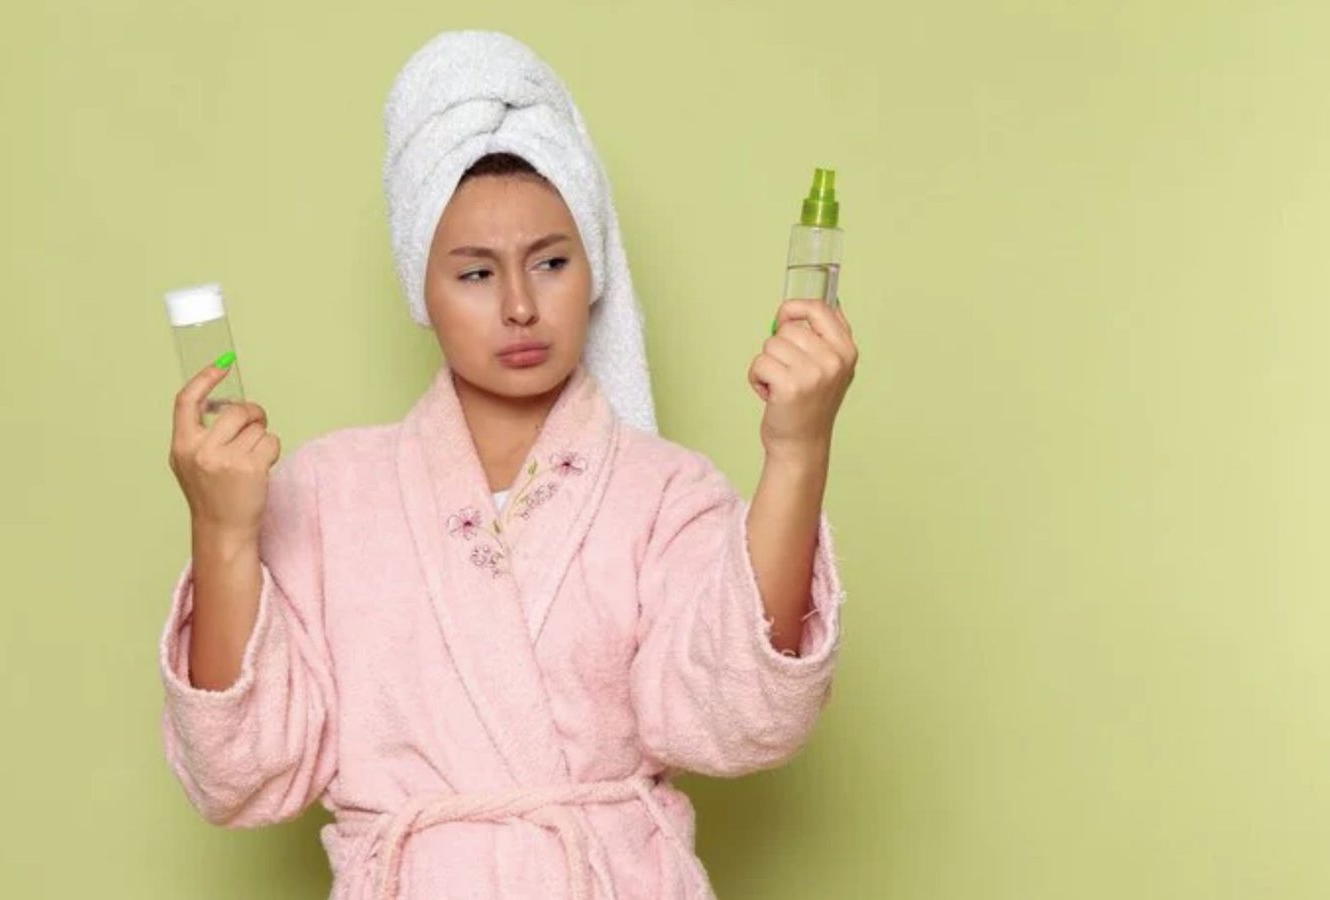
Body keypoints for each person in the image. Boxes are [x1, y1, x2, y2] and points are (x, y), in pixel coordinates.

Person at [158, 30, 858, 900]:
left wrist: (798, 452)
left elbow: (741, 719)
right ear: (423, 286)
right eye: (476, 273)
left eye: (551, 263)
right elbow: (242, 773)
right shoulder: (328, 493)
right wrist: (223, 531)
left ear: (593, 268)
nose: (522, 307)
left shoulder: (664, 492)